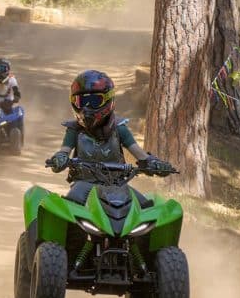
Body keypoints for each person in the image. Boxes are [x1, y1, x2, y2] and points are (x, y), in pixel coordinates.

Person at [48, 70, 174, 205]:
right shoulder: (74, 129)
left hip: (117, 185)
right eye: (82, 101)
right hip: (83, 185)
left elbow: (139, 154)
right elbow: (64, 151)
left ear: (108, 100)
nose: (87, 108)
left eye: (94, 101)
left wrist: (154, 164)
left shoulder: (119, 127)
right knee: (68, 209)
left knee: (146, 207)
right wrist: (59, 159)